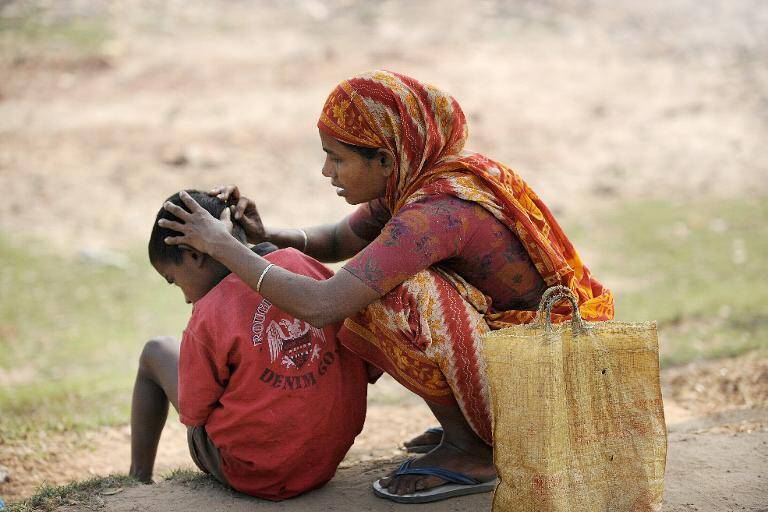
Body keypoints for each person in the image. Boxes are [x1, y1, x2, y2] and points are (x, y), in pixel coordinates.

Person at [159, 71, 614, 503]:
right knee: (374, 282)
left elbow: (324, 306)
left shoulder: (437, 211)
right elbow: (338, 240)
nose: (326, 172)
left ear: (384, 158)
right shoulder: (418, 179)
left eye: (337, 158)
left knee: (389, 297)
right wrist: (266, 236)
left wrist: (224, 248)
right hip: (535, 368)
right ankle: (477, 428)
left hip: (544, 389)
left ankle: (474, 451)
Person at [129, 190, 369, 501]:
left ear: (193, 254)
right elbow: (362, 357)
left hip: (254, 472)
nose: (186, 298)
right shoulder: (303, 265)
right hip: (324, 460)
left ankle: (138, 478)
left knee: (156, 351)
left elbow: (193, 412)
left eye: (173, 280)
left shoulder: (208, 314)